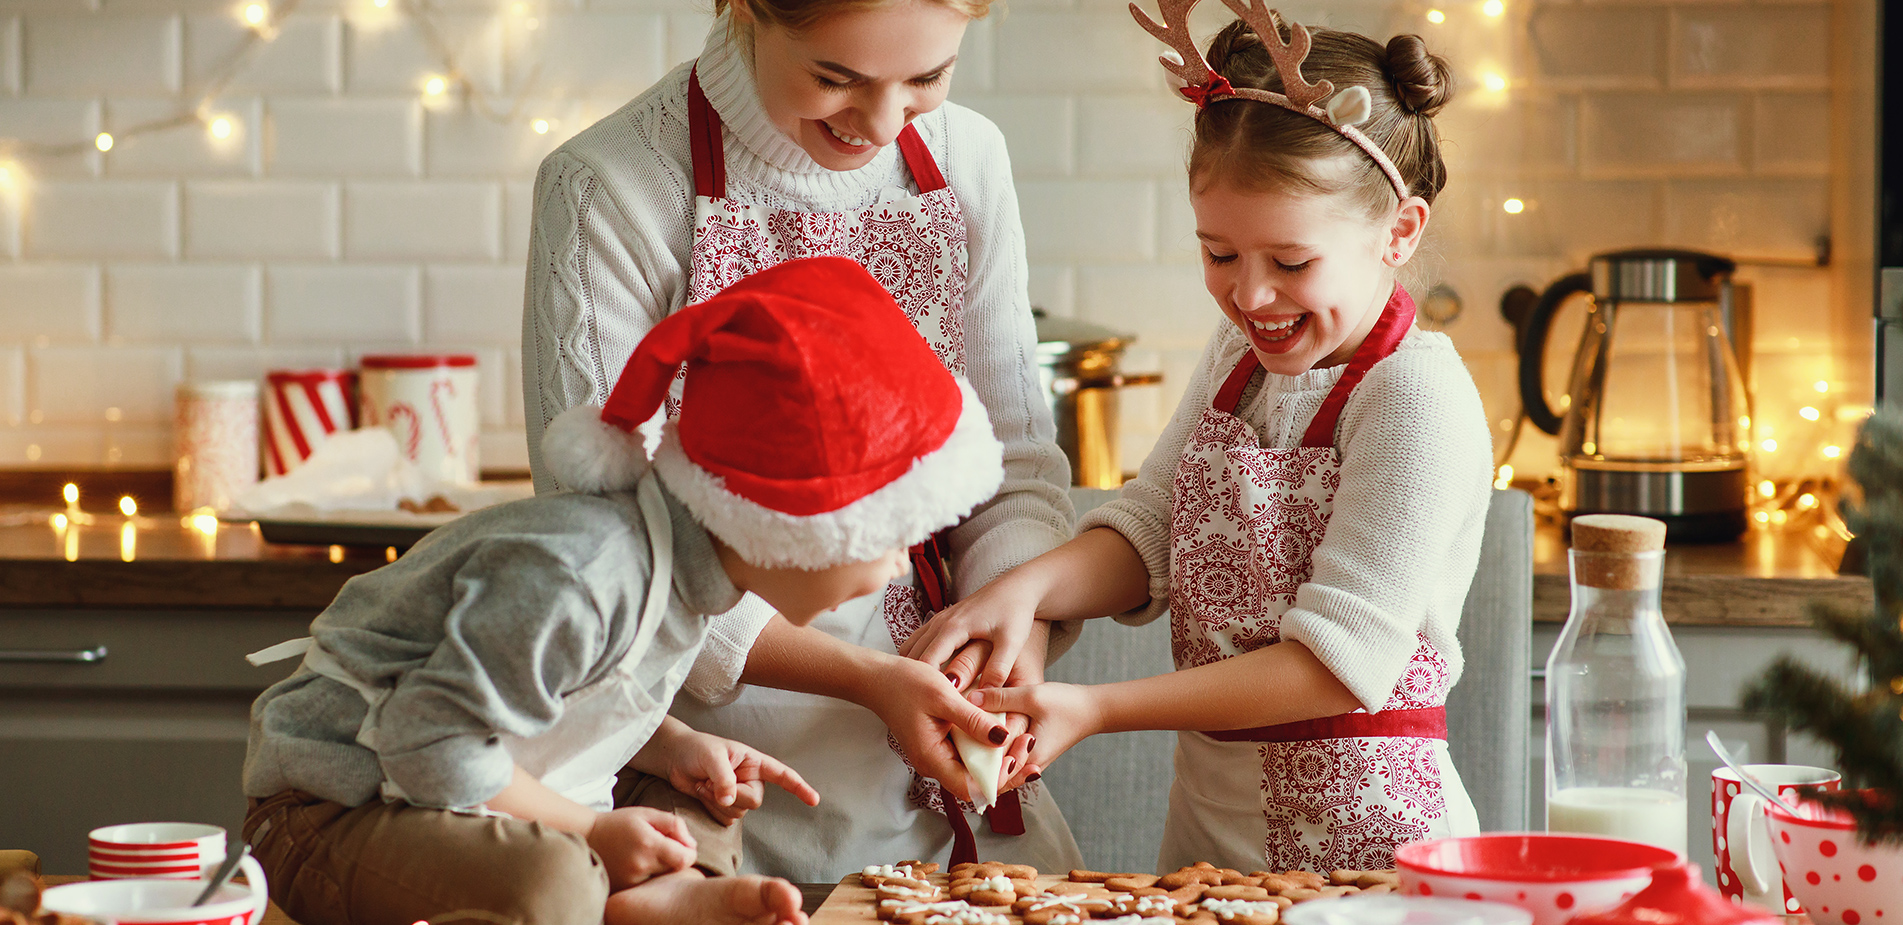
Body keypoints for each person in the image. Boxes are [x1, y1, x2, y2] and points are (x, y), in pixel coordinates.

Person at [903, 2, 1492, 873]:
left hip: (1369, 838)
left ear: (1397, 232)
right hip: (1212, 819)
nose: (1251, 296)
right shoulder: (1237, 356)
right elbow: (1151, 525)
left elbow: (1335, 666)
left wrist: (1094, 706)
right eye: (1219, 254)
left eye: (1290, 263)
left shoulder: (1415, 398)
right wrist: (1024, 589)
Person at [242, 258, 1011, 925]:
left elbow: (556, 694)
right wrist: (586, 828)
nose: (897, 570)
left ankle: (652, 896)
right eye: (883, 539)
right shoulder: (586, 573)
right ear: (790, 525)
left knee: (703, 803)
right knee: (555, 877)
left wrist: (675, 745)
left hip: (465, 791)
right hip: (337, 810)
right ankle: (619, 899)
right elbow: (427, 744)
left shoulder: (685, 574)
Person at [520, 0, 1081, 878]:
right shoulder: (612, 184)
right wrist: (867, 678)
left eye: (927, 78)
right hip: (719, 776)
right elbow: (611, 553)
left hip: (959, 780)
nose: (884, 123)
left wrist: (1009, 632)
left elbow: (1013, 464)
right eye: (836, 79)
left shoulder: (967, 157)